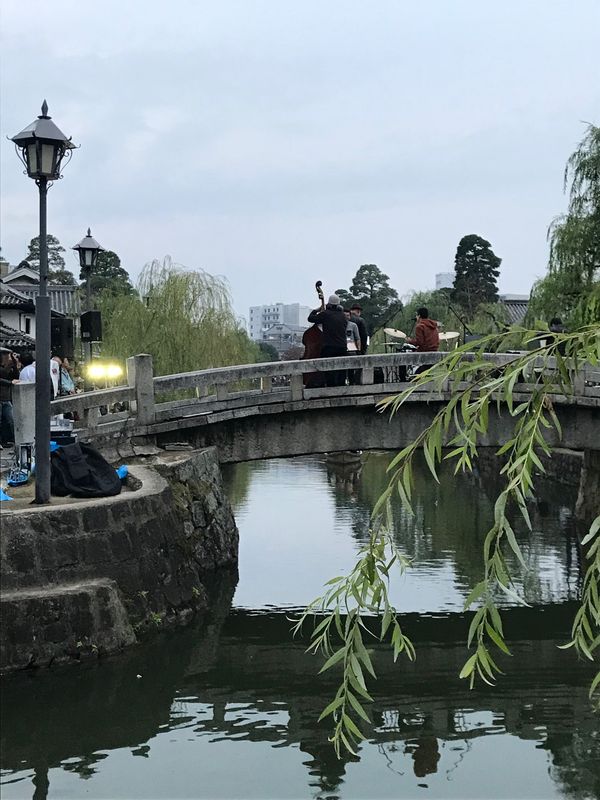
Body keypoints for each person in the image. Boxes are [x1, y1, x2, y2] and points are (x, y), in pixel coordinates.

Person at [308, 294, 347, 386]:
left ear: (329, 304)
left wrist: (316, 310)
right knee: (341, 369)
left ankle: (330, 386)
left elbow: (310, 318)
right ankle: (341, 386)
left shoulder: (326, 314)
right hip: (342, 346)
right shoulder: (342, 316)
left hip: (329, 347)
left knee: (328, 369)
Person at [407, 306, 439, 376]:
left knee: (407, 358)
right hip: (434, 352)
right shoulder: (434, 326)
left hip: (425, 353)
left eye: (416, 315)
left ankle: (404, 377)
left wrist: (410, 341)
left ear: (419, 316)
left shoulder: (420, 326)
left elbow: (420, 342)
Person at [0, 347, 20, 447]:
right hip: (1, 397)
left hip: (6, 398)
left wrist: (15, 364)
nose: (8, 358)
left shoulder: (7, 368)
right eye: (7, 355)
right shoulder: (3, 369)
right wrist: (10, 382)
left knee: (10, 420)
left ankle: (6, 440)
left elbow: (16, 376)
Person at [344, 309, 361, 385]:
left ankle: (352, 382)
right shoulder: (339, 325)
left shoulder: (353, 325)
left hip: (352, 349)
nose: (346, 317)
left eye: (347, 315)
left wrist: (359, 349)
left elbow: (357, 338)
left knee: (351, 368)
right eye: (344, 315)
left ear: (350, 316)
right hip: (343, 348)